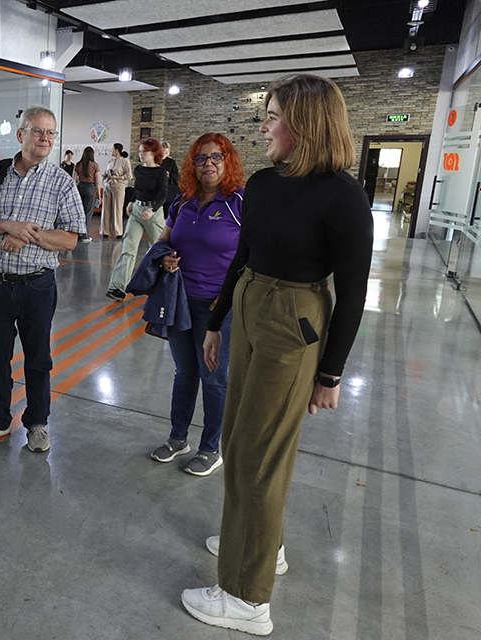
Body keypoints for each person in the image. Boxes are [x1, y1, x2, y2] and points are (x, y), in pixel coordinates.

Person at [181, 74, 373, 635]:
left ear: (306, 123)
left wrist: (331, 372)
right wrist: (217, 323)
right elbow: (244, 254)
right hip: (251, 307)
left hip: (295, 323)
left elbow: (353, 292)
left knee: (255, 456)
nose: (262, 124)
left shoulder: (342, 195)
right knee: (247, 440)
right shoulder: (265, 183)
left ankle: (246, 597)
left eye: (272, 115)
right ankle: (262, 543)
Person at [0, 105, 85, 452]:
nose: (44, 138)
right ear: (21, 135)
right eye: (37, 131)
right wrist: (9, 226)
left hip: (37, 285)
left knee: (38, 359)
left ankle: (36, 423)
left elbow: (70, 238)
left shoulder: (61, 181)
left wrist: (28, 235)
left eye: (50, 132)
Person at [148, 133, 244, 476]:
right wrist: (165, 260)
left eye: (217, 157)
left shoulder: (239, 204)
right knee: (184, 373)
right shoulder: (183, 202)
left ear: (228, 161)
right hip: (180, 303)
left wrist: (232, 294)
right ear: (192, 164)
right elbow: (163, 241)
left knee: (214, 379)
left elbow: (255, 256)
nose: (209, 164)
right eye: (201, 158)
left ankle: (210, 448)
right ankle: (178, 439)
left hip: (218, 308)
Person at [104, 138, 168, 302]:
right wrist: (132, 201)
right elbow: (138, 188)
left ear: (154, 153)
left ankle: (164, 286)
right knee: (128, 248)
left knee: (158, 250)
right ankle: (118, 287)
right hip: (137, 210)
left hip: (153, 212)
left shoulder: (161, 172)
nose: (141, 154)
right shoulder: (139, 170)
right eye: (139, 151)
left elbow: (163, 194)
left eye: (144, 151)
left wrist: (152, 211)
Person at [101, 142, 131, 238]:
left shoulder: (125, 161)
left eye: (112, 149)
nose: (111, 151)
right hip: (108, 185)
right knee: (106, 208)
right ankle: (105, 231)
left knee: (117, 209)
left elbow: (129, 176)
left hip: (118, 186)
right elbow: (107, 172)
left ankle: (117, 232)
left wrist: (117, 177)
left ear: (116, 150)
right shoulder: (110, 161)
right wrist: (105, 175)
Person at [73, 146, 100, 244]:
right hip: (90, 188)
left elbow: (74, 179)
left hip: (80, 187)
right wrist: (99, 195)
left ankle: (78, 234)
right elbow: (97, 181)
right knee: (88, 213)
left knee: (79, 212)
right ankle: (85, 235)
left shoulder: (78, 164)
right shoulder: (95, 165)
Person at [158, 141, 180, 218]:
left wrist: (169, 175)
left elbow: (177, 176)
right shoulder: (154, 161)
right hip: (155, 189)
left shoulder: (171, 162)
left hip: (167, 189)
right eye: (162, 152)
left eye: (166, 153)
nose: (164, 155)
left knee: (167, 212)